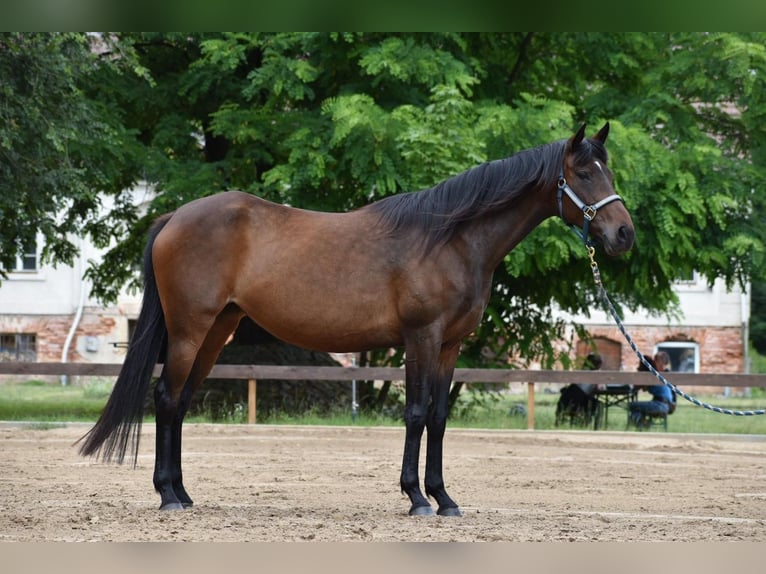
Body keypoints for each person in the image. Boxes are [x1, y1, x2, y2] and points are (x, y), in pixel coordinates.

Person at [628, 356, 676, 429]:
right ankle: (642, 423)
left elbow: (637, 388)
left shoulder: (649, 375)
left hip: (659, 405)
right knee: (637, 409)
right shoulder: (656, 373)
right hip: (666, 405)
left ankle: (642, 424)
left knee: (632, 406)